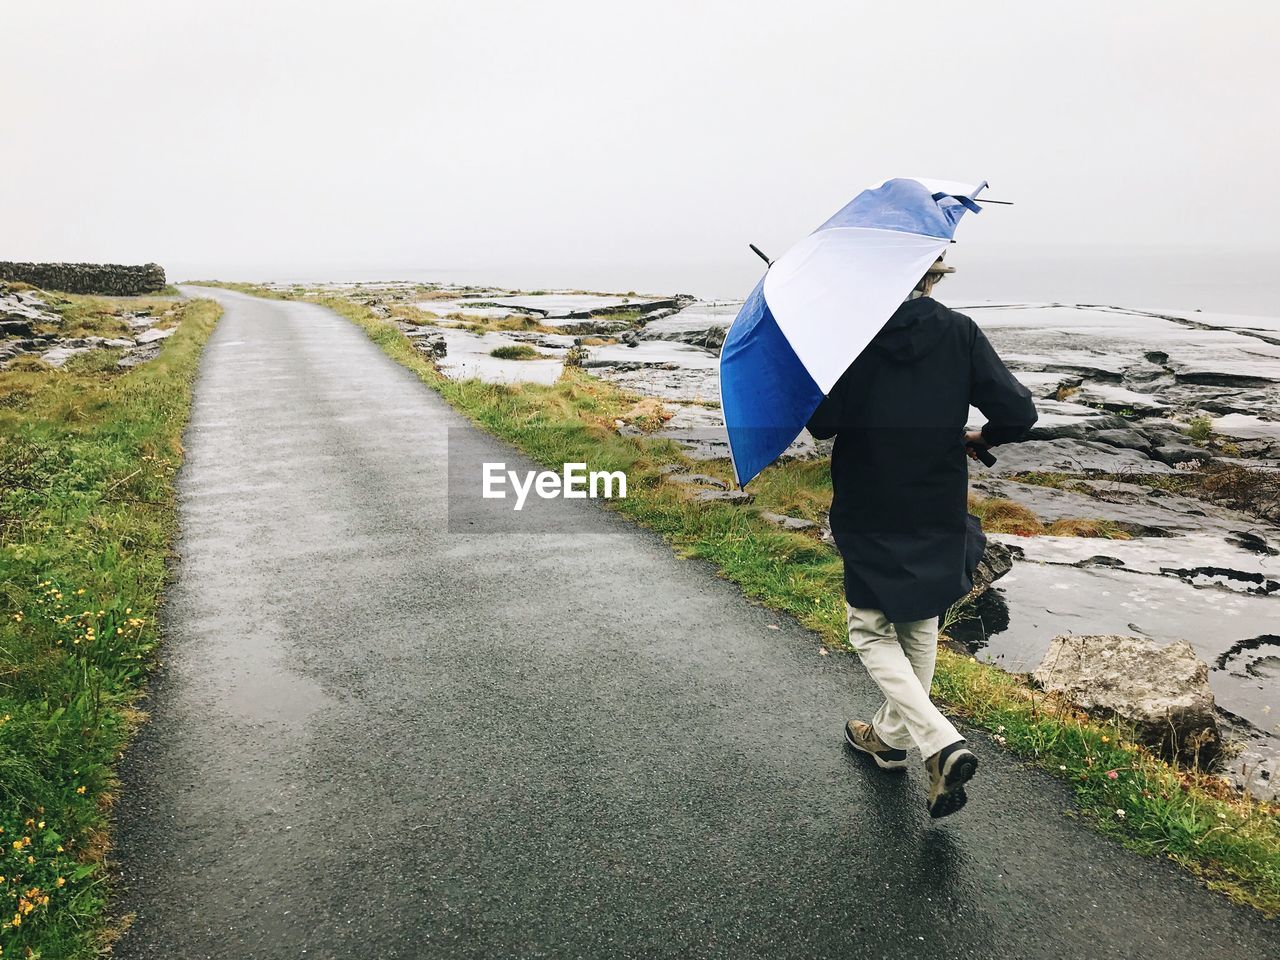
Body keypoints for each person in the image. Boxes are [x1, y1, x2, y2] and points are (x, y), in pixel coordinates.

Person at [805, 256, 1037, 818]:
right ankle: (888, 741)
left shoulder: (853, 339)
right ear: (932, 277)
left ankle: (937, 740)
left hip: (870, 498)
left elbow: (821, 423)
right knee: (920, 620)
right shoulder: (959, 331)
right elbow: (1019, 411)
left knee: (868, 628)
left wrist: (819, 362)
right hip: (936, 496)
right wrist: (983, 434)